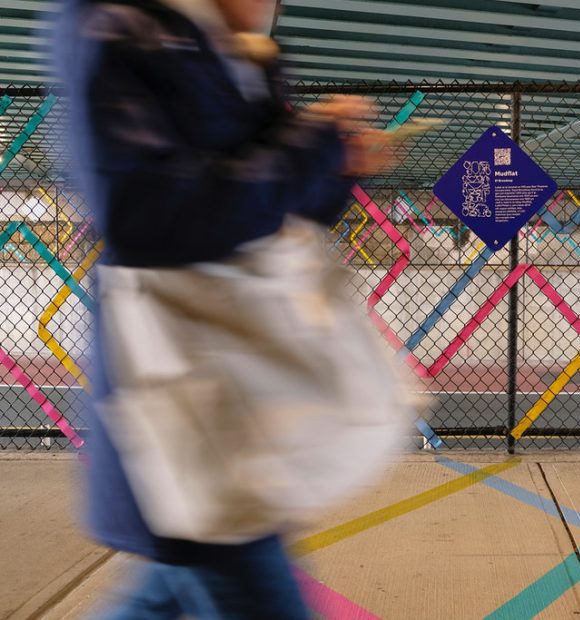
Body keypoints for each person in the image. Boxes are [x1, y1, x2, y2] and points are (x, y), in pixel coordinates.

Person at [55, 0, 401, 617]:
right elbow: (145, 214)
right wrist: (311, 147)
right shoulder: (113, 22)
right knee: (227, 566)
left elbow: (276, 204)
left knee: (172, 583)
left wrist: (338, 164)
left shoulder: (240, 49)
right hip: (184, 389)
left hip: (238, 383)